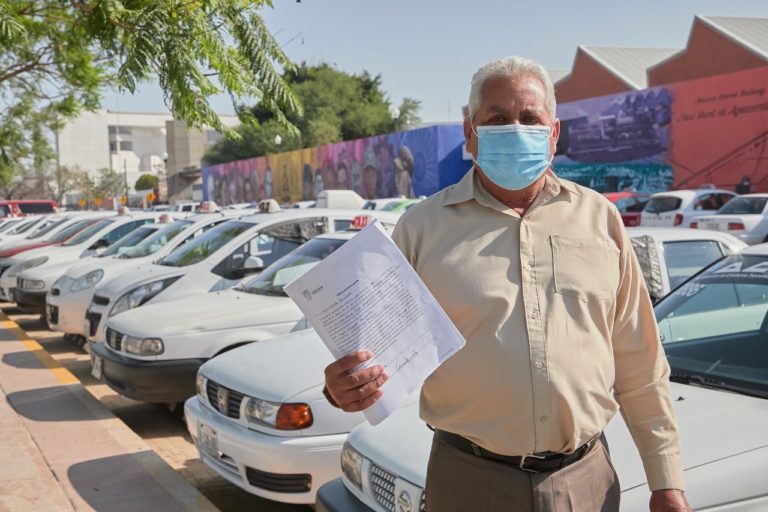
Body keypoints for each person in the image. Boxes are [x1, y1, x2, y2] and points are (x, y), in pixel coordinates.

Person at [323, 56, 691, 512]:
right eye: (497, 118)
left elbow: (641, 365)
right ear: (469, 132)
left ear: (553, 134)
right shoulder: (421, 229)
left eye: (530, 118)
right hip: (468, 482)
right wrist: (344, 385)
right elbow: (376, 355)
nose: (515, 129)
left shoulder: (601, 220)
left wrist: (666, 481)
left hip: (585, 481)